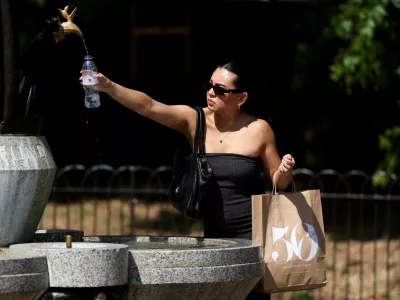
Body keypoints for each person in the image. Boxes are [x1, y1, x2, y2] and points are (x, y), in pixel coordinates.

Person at [80, 61, 295, 299]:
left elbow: (280, 183)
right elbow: (150, 107)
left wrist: (284, 171)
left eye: (221, 89)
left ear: (241, 98)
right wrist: (108, 86)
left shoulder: (259, 129)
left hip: (254, 237)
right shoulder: (195, 120)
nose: (211, 92)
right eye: (210, 85)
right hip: (215, 239)